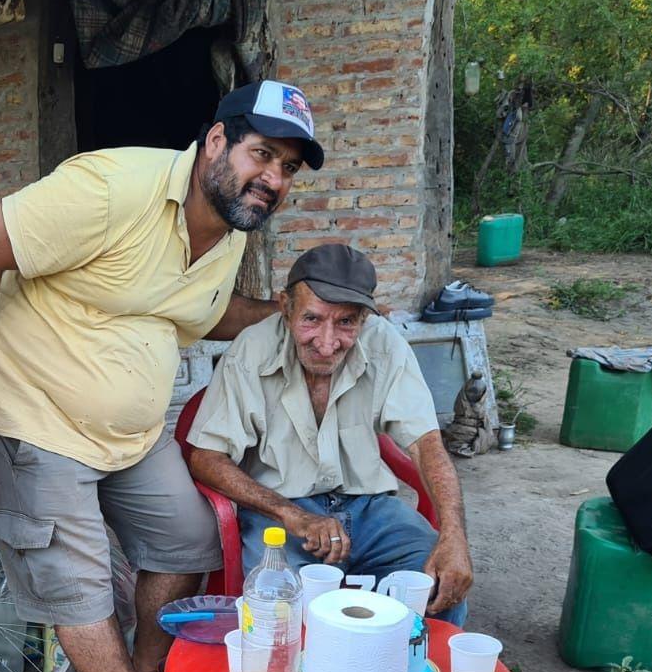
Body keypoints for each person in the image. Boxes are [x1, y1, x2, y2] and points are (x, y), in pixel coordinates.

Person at [0, 81, 324, 672]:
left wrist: (286, 313)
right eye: (262, 155)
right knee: (80, 588)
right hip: (37, 421)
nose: (272, 179)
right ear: (216, 141)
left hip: (132, 436)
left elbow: (198, 314)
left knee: (189, 541)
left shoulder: (227, 231)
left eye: (288, 168)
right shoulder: (113, 188)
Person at [186, 243, 473, 625]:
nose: (326, 343)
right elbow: (206, 457)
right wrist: (291, 514)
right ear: (285, 307)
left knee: (437, 588)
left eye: (346, 323)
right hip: (281, 516)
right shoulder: (251, 351)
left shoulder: (385, 345)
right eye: (311, 319)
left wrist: (453, 537)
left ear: (364, 320)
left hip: (371, 510)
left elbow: (427, 445)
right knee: (284, 612)